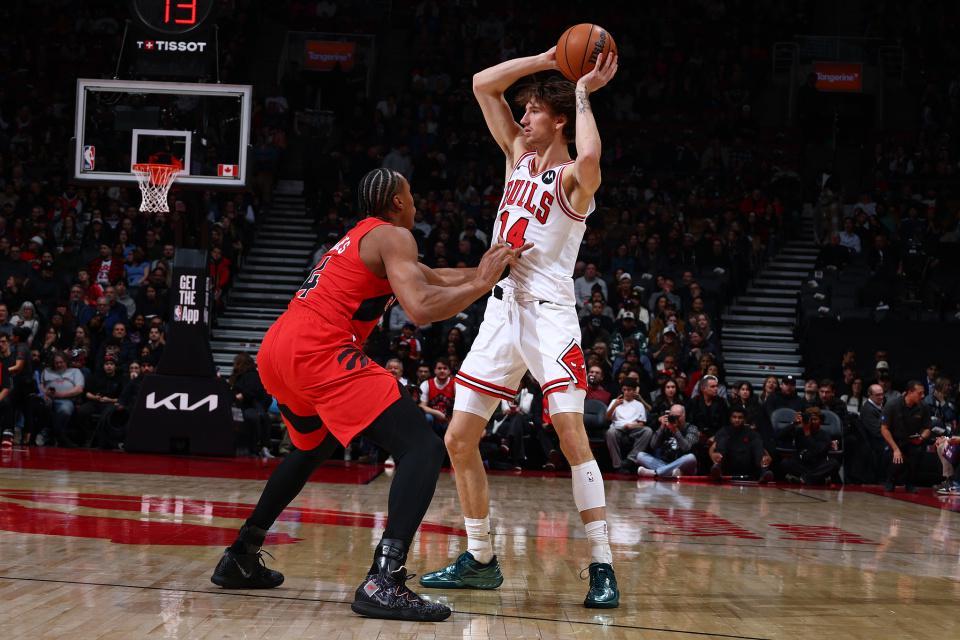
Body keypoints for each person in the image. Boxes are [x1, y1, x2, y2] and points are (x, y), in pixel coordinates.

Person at [209, 168, 524, 622]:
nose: (415, 202)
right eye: (411, 194)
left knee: (311, 448)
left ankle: (241, 553)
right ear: (397, 202)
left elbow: (432, 277)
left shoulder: (364, 237)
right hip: (318, 348)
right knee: (422, 447)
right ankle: (384, 579)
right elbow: (421, 308)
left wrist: (489, 271)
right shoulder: (395, 236)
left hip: (277, 348)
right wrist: (480, 285)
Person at [419, 45, 620, 609]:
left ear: (558, 121)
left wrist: (580, 92)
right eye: (524, 110)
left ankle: (602, 564)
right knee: (459, 438)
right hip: (502, 309)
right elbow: (482, 83)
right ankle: (481, 558)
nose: (523, 117)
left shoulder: (571, 180)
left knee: (570, 432)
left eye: (533, 110)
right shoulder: (517, 157)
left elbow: (591, 154)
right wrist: (551, 57)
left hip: (549, 313)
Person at [880, 381, 932, 493]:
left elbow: (927, 428)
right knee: (896, 459)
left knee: (917, 453)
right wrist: (895, 449)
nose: (923, 396)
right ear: (910, 392)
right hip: (894, 441)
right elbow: (884, 429)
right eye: (920, 393)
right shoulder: (892, 405)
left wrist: (922, 438)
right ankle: (890, 481)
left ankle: (910, 483)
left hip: (912, 441)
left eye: (923, 393)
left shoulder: (923, 406)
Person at [709, 408, 773, 483]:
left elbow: (760, 448)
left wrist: (767, 456)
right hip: (728, 463)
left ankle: (764, 472)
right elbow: (712, 448)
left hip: (746, 463)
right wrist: (712, 455)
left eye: (740, 417)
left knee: (756, 442)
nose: (737, 420)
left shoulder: (752, 433)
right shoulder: (724, 431)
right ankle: (717, 469)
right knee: (722, 440)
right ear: (730, 418)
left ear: (744, 419)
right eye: (734, 417)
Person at [636, 404, 700, 478]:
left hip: (683, 465)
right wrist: (662, 427)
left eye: (677, 417)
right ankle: (671, 472)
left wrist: (675, 431)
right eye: (673, 416)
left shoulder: (692, 429)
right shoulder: (666, 427)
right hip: (664, 462)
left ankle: (656, 473)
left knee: (691, 458)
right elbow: (653, 445)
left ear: (684, 416)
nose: (675, 419)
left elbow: (686, 448)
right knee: (640, 456)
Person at [604, 379, 649, 472]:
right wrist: (614, 406)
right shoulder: (615, 401)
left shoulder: (639, 405)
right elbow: (607, 418)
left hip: (633, 429)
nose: (626, 392)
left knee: (648, 431)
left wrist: (632, 426)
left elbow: (642, 423)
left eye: (629, 390)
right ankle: (617, 465)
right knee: (610, 432)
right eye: (624, 390)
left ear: (634, 391)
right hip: (618, 428)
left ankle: (630, 459)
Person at [418, 358, 455, 437]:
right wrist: (438, 413)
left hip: (450, 420)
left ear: (449, 371)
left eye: (445, 368)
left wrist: (450, 418)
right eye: (439, 368)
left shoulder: (455, 385)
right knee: (427, 417)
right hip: (434, 420)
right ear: (434, 370)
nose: (442, 371)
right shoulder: (426, 384)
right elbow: (422, 406)